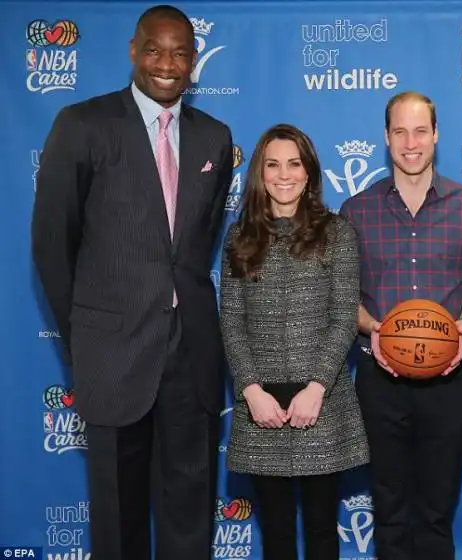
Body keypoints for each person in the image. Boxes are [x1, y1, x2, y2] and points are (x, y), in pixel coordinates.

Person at [30, 5, 233, 559]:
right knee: (118, 520)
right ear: (133, 51)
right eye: (154, 49)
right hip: (112, 354)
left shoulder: (215, 137)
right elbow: (52, 246)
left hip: (191, 353)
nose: (167, 64)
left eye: (181, 52)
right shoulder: (84, 124)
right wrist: (85, 341)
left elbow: (194, 247)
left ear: (195, 61)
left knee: (191, 512)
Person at [339, 91, 462, 560]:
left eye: (420, 131)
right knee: (388, 507)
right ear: (386, 138)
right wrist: (375, 329)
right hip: (378, 378)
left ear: (436, 135)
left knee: (435, 510)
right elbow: (344, 302)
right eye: (400, 132)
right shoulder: (355, 212)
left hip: (446, 382)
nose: (411, 142)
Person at [219, 123, 369, 560]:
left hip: (321, 405)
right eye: (273, 165)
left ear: (309, 173)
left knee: (323, 534)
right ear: (259, 174)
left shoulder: (338, 233)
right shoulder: (238, 236)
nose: (284, 175)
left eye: (294, 164)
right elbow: (231, 321)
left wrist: (316, 389)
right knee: (277, 538)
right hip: (261, 409)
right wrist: (251, 393)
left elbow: (344, 316)